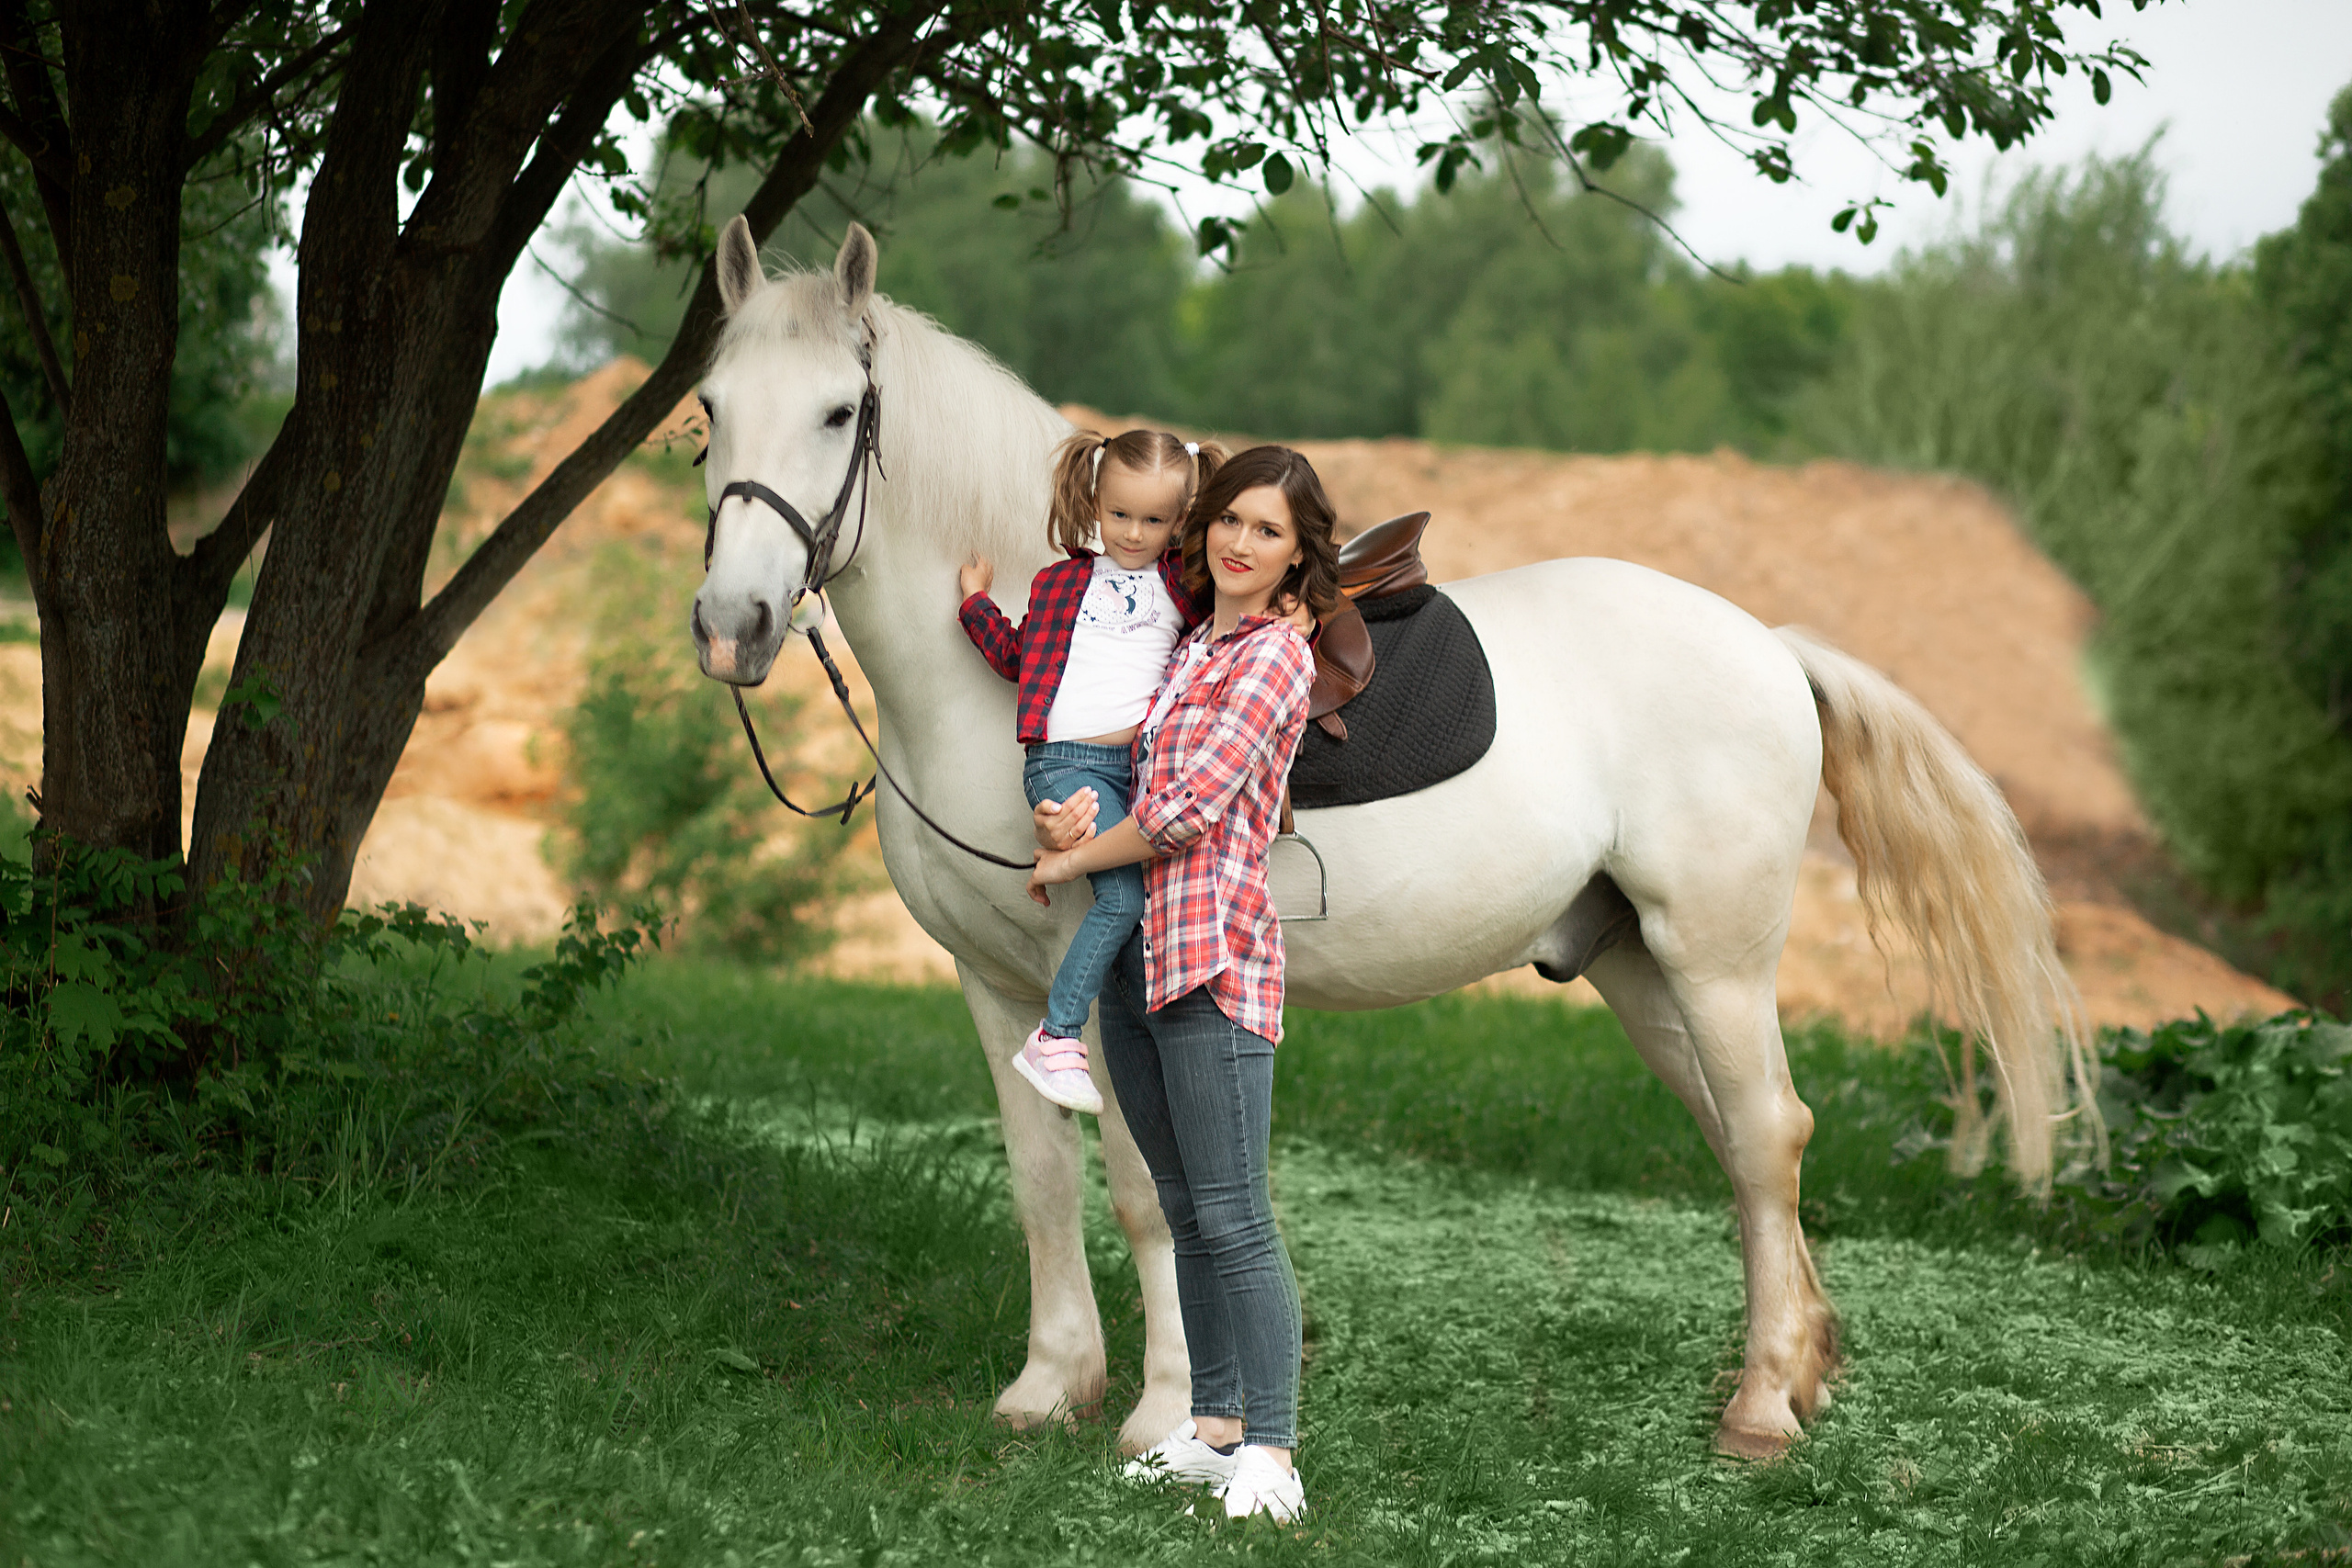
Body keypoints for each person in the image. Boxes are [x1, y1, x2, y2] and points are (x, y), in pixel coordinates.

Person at [1026, 445, 1341, 1523]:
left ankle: (1276, 1452)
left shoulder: (1270, 660)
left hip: (1210, 955)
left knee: (1234, 1214)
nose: (1239, 543)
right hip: (1137, 959)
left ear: (1297, 556)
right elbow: (1126, 769)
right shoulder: (1185, 646)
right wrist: (1063, 810)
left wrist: (1072, 862)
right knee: (1181, 1206)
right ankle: (1212, 1427)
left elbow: (1187, 808)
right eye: (1230, 522)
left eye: (1268, 532)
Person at [959, 429, 1226, 1114]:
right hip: (1064, 763)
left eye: (1155, 519)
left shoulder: (1183, 589)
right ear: (1094, 502)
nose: (1134, 533)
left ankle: (1144, 1050)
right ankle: (1056, 1035)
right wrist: (975, 603)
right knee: (1123, 899)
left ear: (1180, 521)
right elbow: (1019, 656)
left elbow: (1217, 644)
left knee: (1144, 895)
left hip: (1134, 774)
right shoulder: (1060, 583)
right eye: (1120, 515)